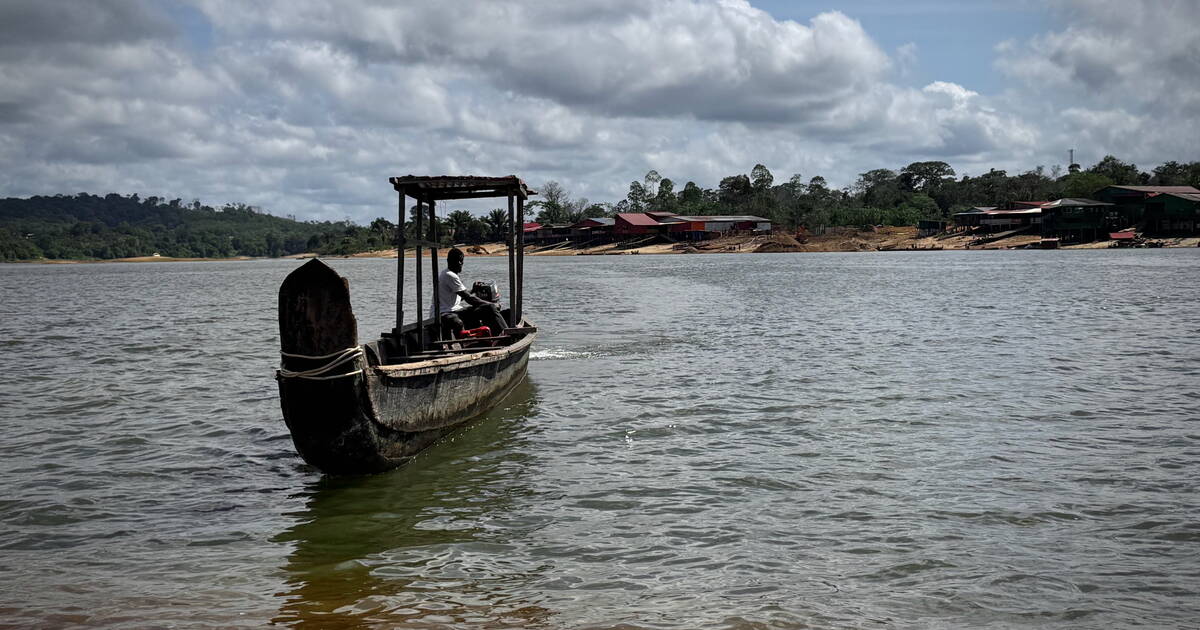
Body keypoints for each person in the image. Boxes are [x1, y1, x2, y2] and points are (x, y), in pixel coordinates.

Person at [434, 247, 508, 338]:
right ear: (449, 261)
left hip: (452, 310)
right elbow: (469, 299)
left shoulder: (446, 273)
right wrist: (492, 305)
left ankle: (485, 338)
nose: (461, 263)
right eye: (459, 261)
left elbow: (459, 298)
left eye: (462, 261)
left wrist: (473, 290)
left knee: (477, 309)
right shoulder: (450, 275)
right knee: (490, 308)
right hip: (446, 313)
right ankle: (507, 335)